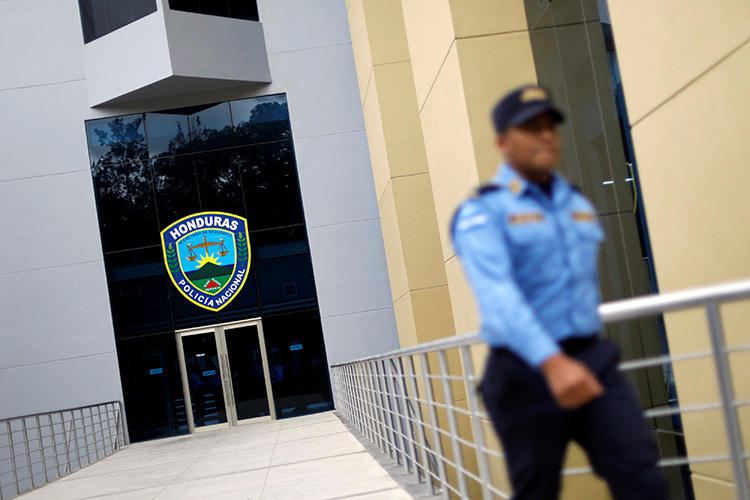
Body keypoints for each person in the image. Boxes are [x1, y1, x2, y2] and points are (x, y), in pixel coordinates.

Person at [451, 85, 667, 500]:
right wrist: (553, 364)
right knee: (538, 490)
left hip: (591, 358)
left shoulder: (576, 202)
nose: (545, 135)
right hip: (524, 370)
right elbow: (498, 298)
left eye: (550, 126)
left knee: (641, 473)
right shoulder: (483, 212)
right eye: (530, 128)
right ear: (502, 142)